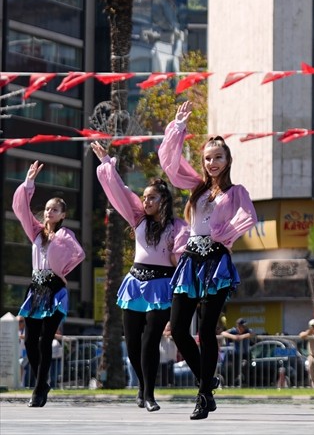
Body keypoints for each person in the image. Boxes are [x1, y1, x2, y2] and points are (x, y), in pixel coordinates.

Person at [160, 100, 258, 420]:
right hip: (190, 260)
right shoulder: (196, 188)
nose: (212, 162)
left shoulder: (236, 191)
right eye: (207, 158)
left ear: (228, 159)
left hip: (216, 261)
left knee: (206, 328)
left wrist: (223, 234)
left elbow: (248, 216)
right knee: (177, 329)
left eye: (218, 157)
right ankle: (206, 379)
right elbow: (171, 166)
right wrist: (177, 128)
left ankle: (203, 395)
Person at [94, 142, 189, 411]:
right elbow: (121, 192)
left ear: (164, 201)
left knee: (150, 340)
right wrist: (106, 163)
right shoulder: (138, 218)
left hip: (161, 286)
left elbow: (180, 254)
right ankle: (140, 386)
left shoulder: (177, 226)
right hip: (135, 284)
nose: (145, 201)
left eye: (152, 198)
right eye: (145, 197)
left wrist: (178, 254)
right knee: (133, 343)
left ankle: (149, 394)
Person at [12, 159, 85, 407]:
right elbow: (21, 208)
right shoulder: (36, 232)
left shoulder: (65, 235)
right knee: (30, 339)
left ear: (63, 214)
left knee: (45, 339)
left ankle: (38, 390)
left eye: (54, 210)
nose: (48, 212)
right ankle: (42, 382)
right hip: (35, 288)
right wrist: (29, 181)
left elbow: (78, 253)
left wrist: (60, 271)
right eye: (46, 209)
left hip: (55, 288)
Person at [160, 323, 178, 389]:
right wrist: (165, 334)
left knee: (170, 370)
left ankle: (171, 383)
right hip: (163, 357)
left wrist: (168, 334)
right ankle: (163, 384)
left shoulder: (173, 334)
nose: (168, 327)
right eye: (168, 326)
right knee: (163, 371)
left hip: (171, 356)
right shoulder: (162, 335)